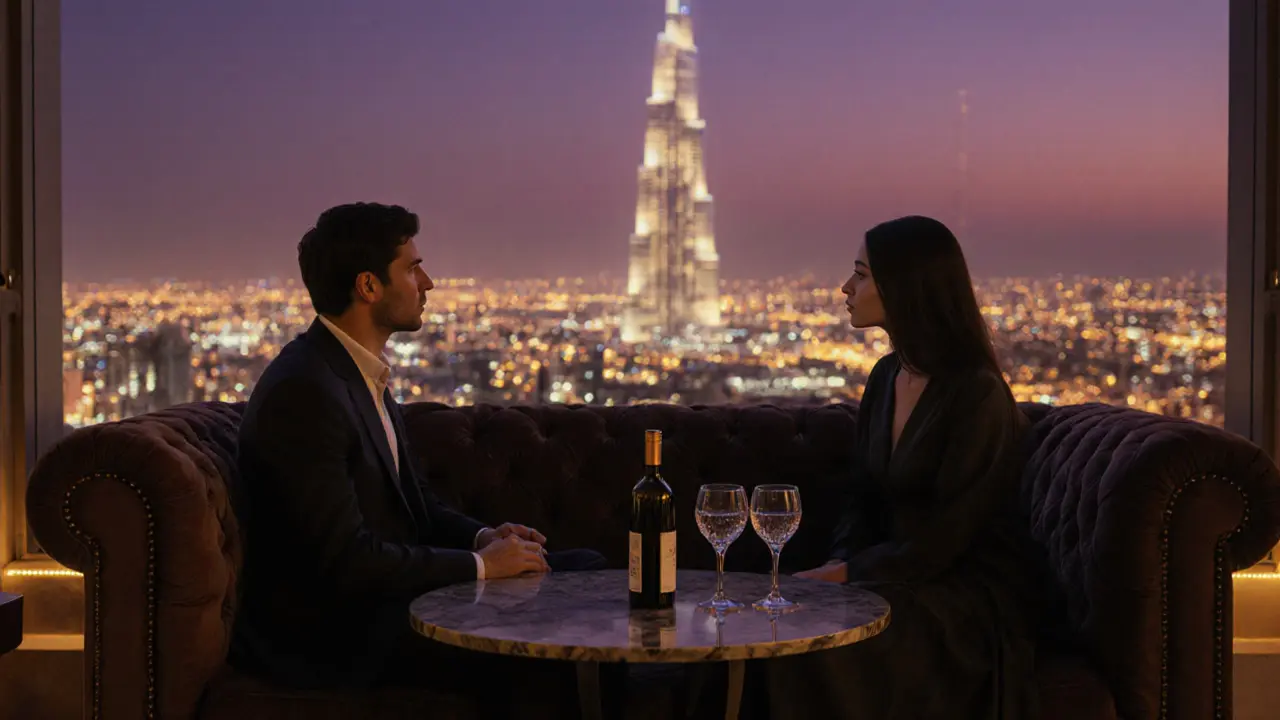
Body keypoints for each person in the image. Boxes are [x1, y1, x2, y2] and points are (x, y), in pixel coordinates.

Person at [229, 202, 606, 699]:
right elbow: (344, 562)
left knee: (590, 572)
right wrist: (484, 569)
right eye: (411, 267)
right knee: (560, 628)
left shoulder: (355, 373)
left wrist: (484, 538)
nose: (427, 282)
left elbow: (418, 505)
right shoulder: (306, 392)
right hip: (340, 639)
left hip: (386, 605)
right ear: (368, 286)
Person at [746, 216, 1039, 719]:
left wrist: (847, 574)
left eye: (861, 275)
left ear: (905, 287)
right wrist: (837, 567)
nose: (846, 287)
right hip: (885, 574)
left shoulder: (977, 394)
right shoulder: (886, 377)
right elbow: (861, 497)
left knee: (812, 651)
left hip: (955, 594)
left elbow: (952, 535)